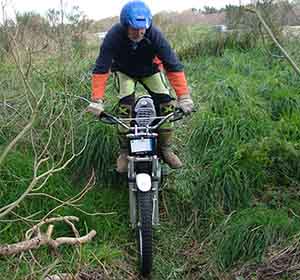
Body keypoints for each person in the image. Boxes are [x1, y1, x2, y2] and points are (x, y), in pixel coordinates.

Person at [87, 0, 194, 173]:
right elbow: (101, 67)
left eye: (143, 28)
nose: (140, 32)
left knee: (166, 104)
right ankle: (123, 152)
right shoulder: (114, 36)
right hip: (125, 71)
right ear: (125, 25)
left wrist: (184, 96)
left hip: (150, 70)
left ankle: (166, 148)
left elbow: (172, 64)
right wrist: (97, 100)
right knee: (125, 106)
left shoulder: (155, 35)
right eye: (134, 29)